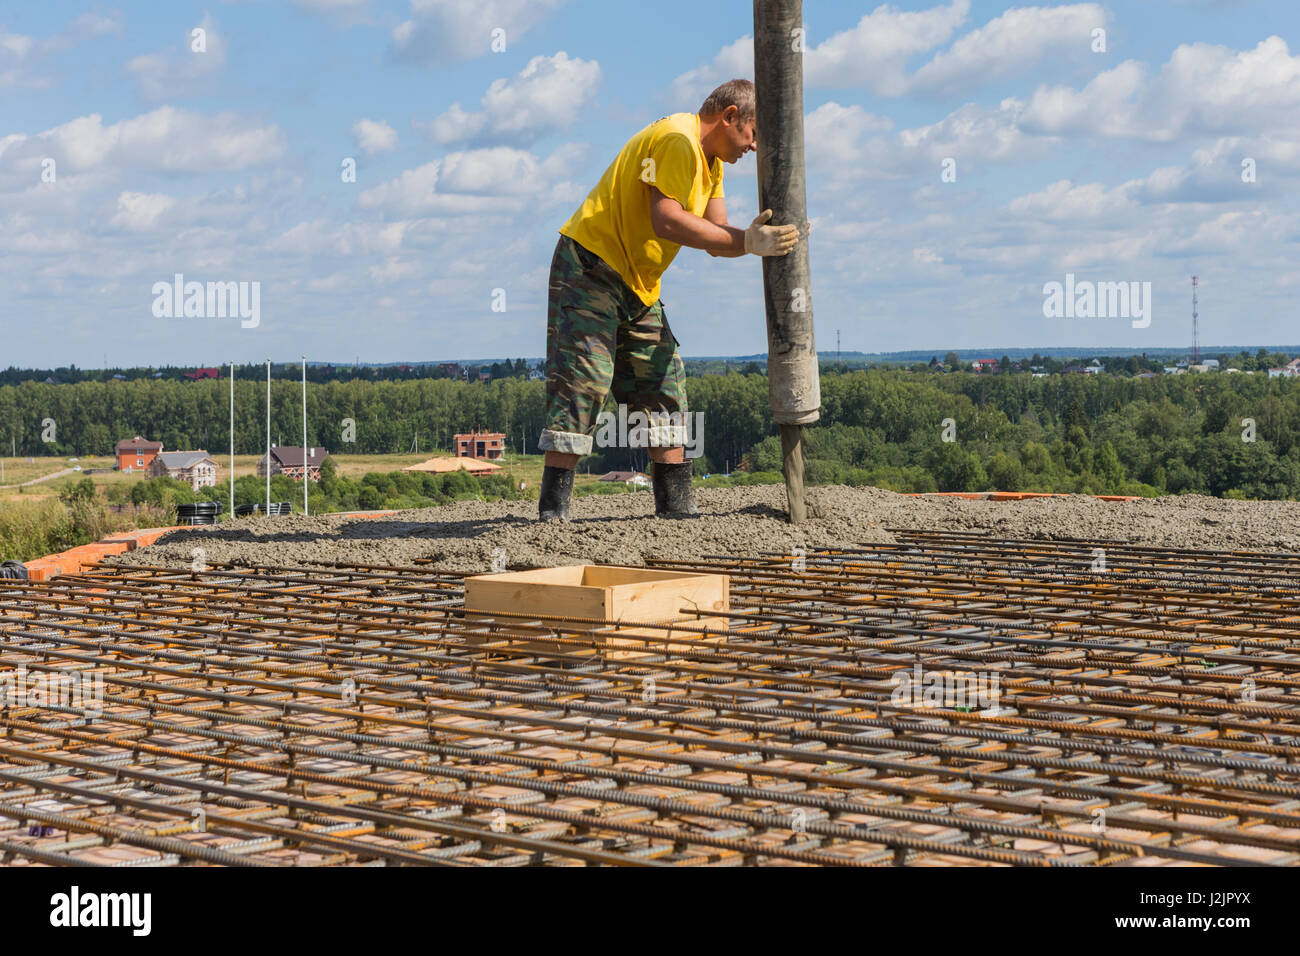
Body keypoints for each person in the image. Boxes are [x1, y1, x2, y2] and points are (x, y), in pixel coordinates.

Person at [536, 78, 799, 521]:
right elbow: (668, 221)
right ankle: (552, 513)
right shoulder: (679, 141)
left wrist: (762, 240)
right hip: (591, 269)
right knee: (584, 383)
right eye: (752, 134)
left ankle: (675, 509)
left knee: (662, 381)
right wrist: (750, 243)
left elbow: (718, 238)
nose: (753, 147)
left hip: (637, 284)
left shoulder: (709, 160)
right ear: (730, 116)